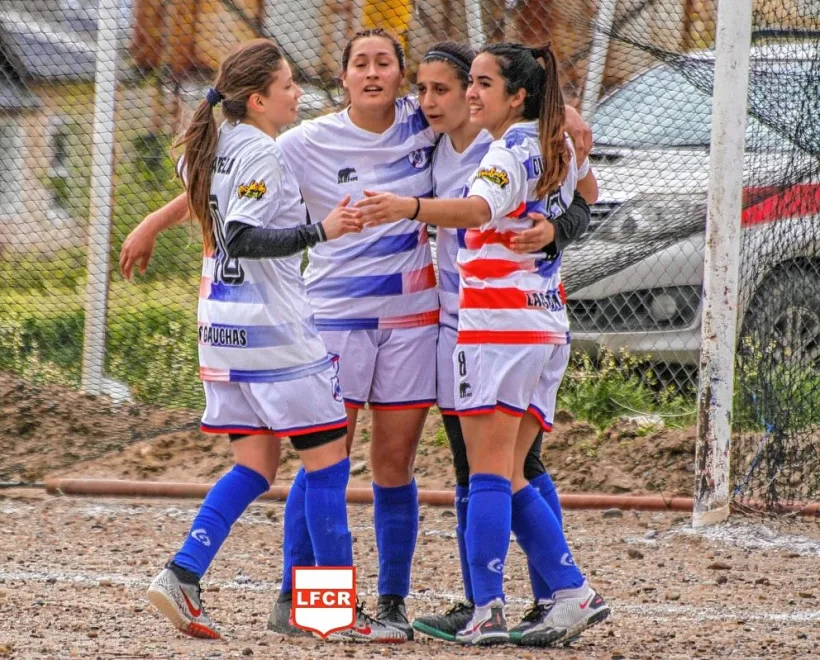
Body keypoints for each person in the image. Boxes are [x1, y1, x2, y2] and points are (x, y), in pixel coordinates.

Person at [121, 29, 594, 639]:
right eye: (360, 63)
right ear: (342, 77)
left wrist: (563, 127)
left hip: (422, 321)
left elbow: (560, 163)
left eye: (385, 63)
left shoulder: (440, 125)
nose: (374, 73)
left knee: (406, 465)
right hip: (333, 317)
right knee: (329, 460)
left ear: (402, 78)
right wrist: (154, 221)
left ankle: (401, 602)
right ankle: (306, 602)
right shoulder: (301, 141)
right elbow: (226, 191)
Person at [141, 38, 406, 643]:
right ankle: (331, 612)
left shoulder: (210, 146)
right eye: (288, 85)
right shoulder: (260, 150)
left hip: (222, 330)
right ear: (258, 99)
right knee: (328, 466)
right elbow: (241, 235)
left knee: (255, 466)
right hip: (275, 336)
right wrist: (322, 230)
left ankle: (183, 573)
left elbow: (214, 216)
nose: (297, 93)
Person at [355, 42, 610, 647]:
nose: (468, 94)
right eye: (465, 83)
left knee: (487, 474)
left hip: (493, 326)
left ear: (516, 95)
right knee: (508, 471)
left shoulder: (507, 148)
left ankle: (483, 606)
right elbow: (587, 192)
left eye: (479, 83)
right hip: (534, 321)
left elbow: (477, 209)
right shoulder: (552, 140)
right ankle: (559, 594)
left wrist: (405, 207)